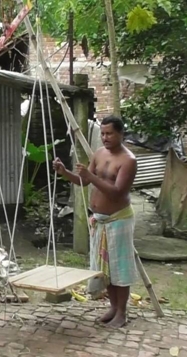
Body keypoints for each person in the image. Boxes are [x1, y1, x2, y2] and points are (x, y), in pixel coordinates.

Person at [53, 115, 138, 328]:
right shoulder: (99, 154)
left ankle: (122, 312)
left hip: (118, 219)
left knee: (120, 268)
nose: (105, 137)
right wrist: (65, 172)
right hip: (99, 219)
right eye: (102, 133)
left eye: (110, 133)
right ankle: (112, 306)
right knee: (104, 268)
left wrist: (91, 178)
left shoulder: (128, 160)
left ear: (120, 134)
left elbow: (118, 192)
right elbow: (83, 181)